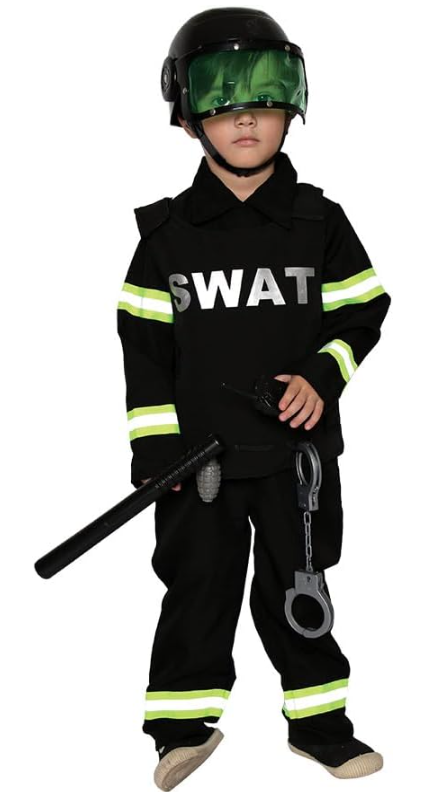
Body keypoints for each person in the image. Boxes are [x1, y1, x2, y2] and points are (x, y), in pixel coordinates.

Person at [116, 8, 391, 790]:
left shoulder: (320, 223)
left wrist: (324, 374)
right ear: (186, 116)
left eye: (266, 99)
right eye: (223, 101)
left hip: (295, 461)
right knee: (197, 589)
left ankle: (321, 726)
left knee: (299, 586)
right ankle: (179, 730)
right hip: (195, 465)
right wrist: (154, 448)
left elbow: (363, 309)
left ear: (292, 107)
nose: (246, 117)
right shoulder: (165, 237)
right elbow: (143, 348)